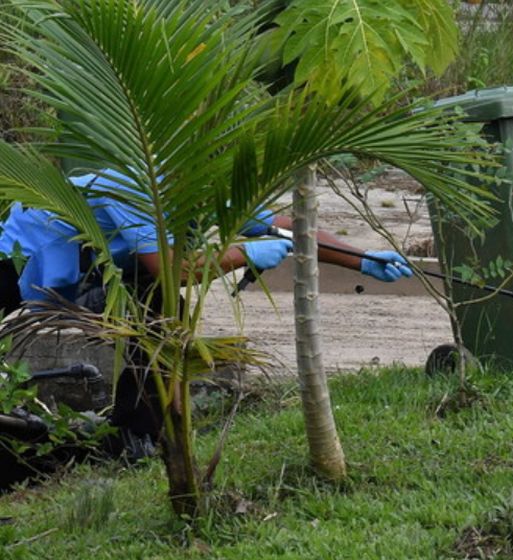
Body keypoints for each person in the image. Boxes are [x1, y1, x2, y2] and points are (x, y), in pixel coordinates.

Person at [0, 169, 413, 459]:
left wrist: (362, 259)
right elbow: (173, 268)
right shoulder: (137, 190)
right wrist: (243, 254)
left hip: (97, 266)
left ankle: (134, 435)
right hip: (20, 258)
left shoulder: (206, 190)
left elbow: (287, 227)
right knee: (159, 292)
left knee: (163, 319)